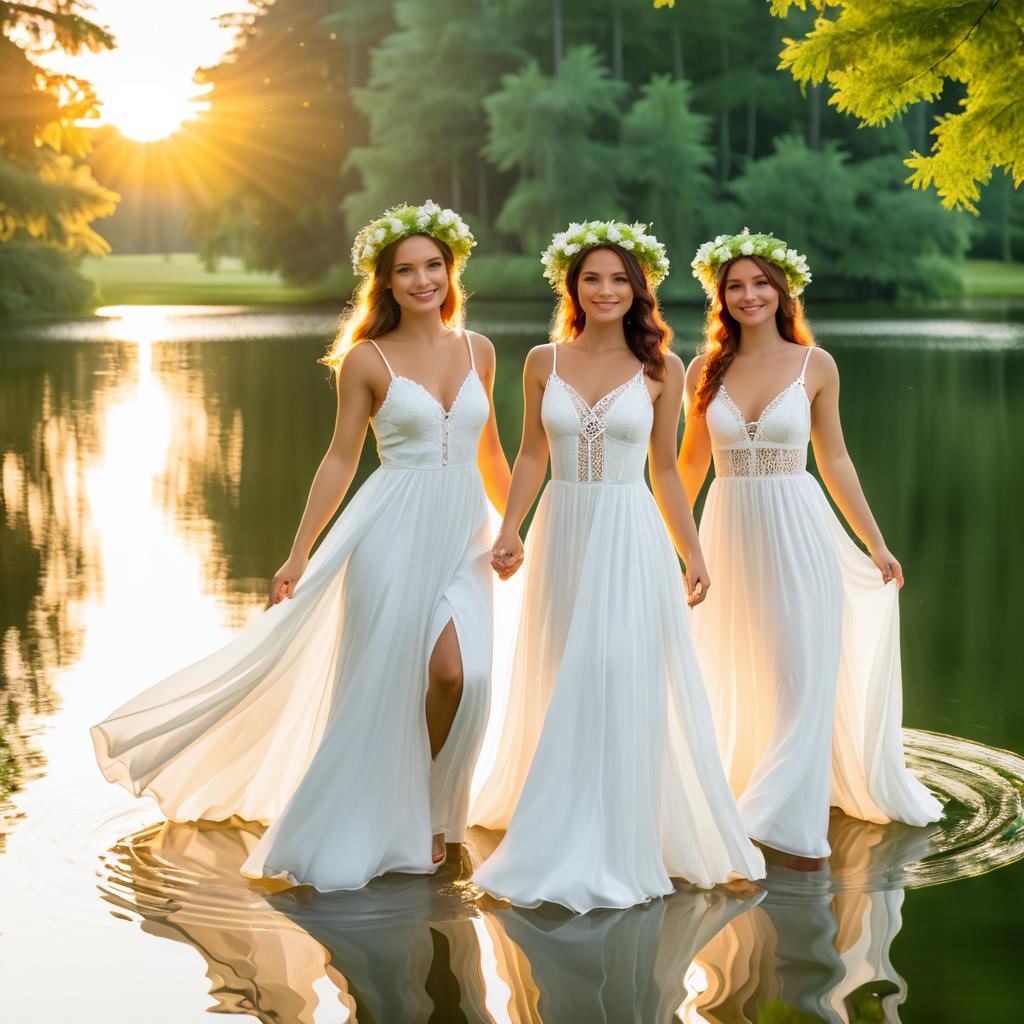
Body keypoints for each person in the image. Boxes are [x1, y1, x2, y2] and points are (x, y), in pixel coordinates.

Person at [91, 200, 511, 890]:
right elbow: (341, 460)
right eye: (405, 270)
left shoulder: (480, 351)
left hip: (465, 532)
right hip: (390, 533)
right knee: (398, 684)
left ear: (451, 268)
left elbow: (491, 449)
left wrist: (514, 523)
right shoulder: (366, 361)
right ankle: (390, 822)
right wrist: (297, 552)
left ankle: (434, 812)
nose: (422, 280)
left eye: (433, 265)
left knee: (465, 678)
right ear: (385, 281)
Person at [472, 220, 765, 913]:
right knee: (563, 669)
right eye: (592, 278)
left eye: (619, 279)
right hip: (563, 531)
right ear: (572, 287)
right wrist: (510, 527)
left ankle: (623, 831)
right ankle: (563, 821)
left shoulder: (663, 370)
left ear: (640, 289)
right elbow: (531, 456)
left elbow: (666, 468)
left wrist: (692, 549)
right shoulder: (544, 360)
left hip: (631, 532)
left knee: (613, 668)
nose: (605, 290)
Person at [677, 229, 942, 861]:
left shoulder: (814, 365)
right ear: (721, 297)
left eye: (761, 283)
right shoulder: (701, 371)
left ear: (782, 290)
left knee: (800, 669)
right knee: (735, 667)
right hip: (728, 529)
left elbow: (837, 460)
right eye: (735, 286)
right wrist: (677, 549)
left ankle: (769, 818)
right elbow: (686, 469)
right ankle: (743, 792)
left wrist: (875, 544)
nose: (749, 295)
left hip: (799, 528)